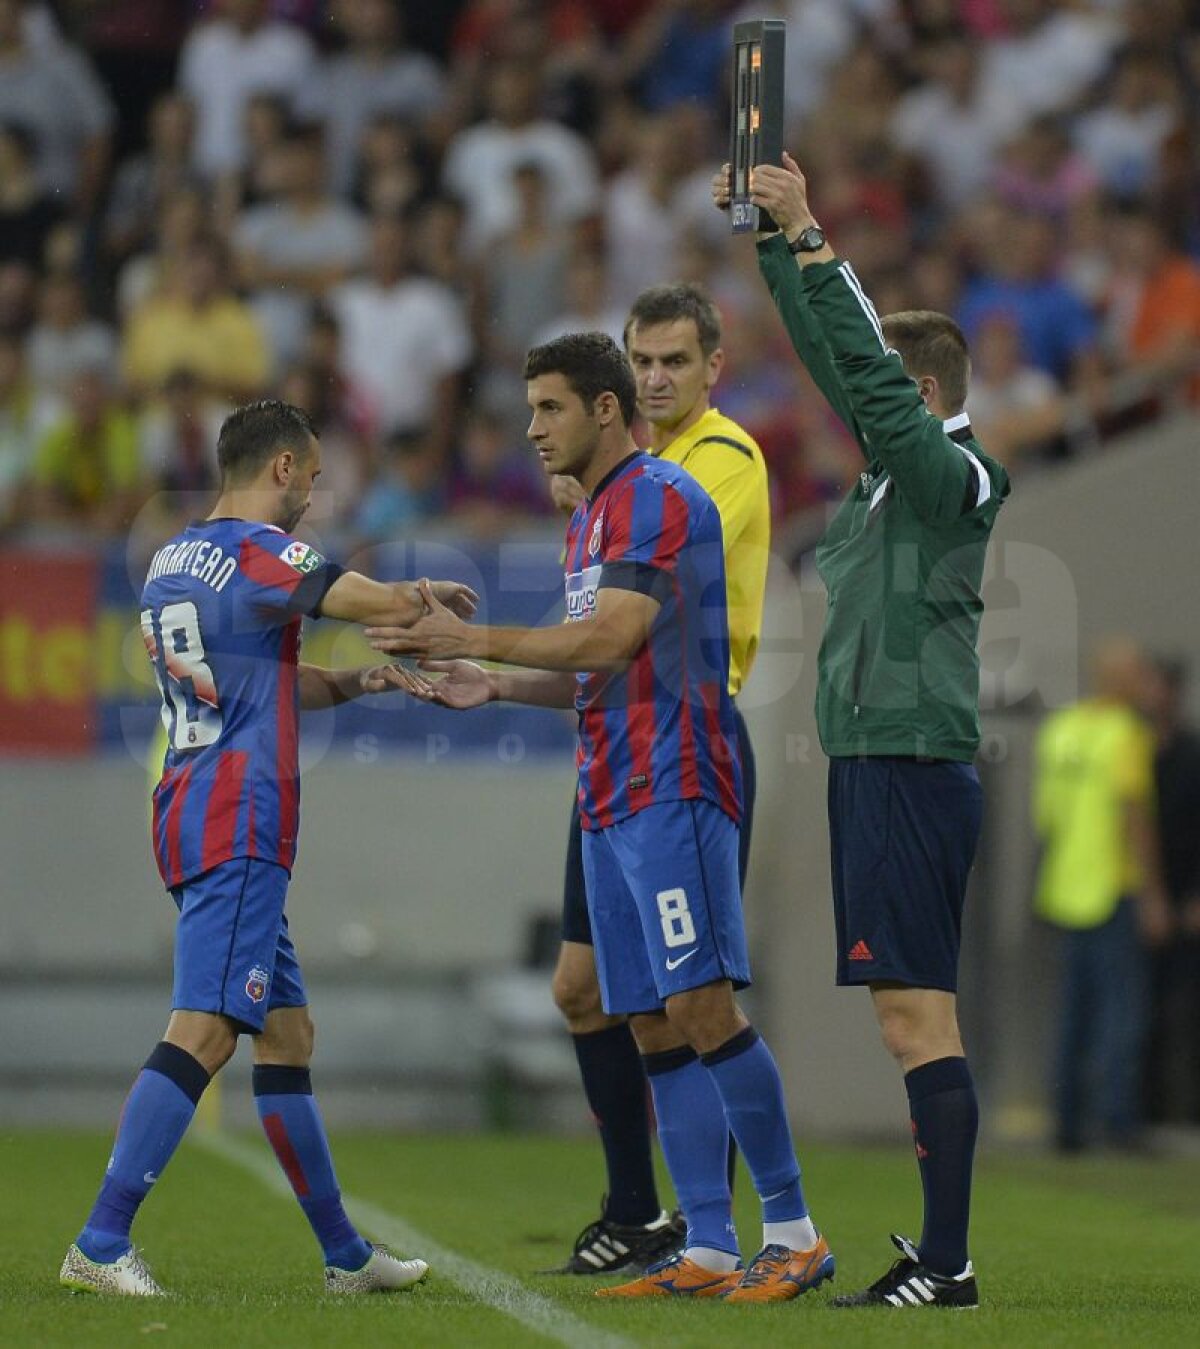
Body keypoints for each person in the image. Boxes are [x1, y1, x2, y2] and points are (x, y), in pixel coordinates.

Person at [368, 333, 831, 1303]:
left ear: (607, 410)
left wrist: (471, 630)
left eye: (550, 408)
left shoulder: (661, 498)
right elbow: (592, 667)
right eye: (532, 409)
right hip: (611, 789)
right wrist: (486, 683)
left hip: (676, 781)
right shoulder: (589, 523)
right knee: (647, 1018)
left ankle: (792, 1229)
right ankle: (706, 1239)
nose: (532, 430)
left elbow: (615, 634)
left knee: (703, 1005)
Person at [59, 399, 478, 1297]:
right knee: (207, 1030)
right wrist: (420, 599)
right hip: (236, 816)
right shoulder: (257, 549)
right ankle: (99, 1240)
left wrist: (362, 678)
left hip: (188, 800)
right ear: (281, 468)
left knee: (287, 1033)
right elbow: (341, 589)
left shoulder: (174, 557)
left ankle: (345, 1256)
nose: (314, 498)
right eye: (313, 478)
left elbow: (260, 677)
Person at [717, 151, 1010, 1309]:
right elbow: (838, 363)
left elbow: (870, 389)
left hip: (911, 762)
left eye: (892, 393)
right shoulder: (893, 481)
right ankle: (945, 1258)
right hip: (873, 762)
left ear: (923, 394)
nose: (867, 406)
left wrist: (817, 234)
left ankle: (949, 1262)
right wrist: (770, 240)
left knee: (913, 1013)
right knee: (909, 1012)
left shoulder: (960, 477)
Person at [542, 284, 770, 1276]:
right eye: (644, 360)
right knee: (590, 987)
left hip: (683, 734)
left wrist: (593, 488)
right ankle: (651, 1211)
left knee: (693, 998)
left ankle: (732, 1222)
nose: (659, 377)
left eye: (677, 359)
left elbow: (654, 571)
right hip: (615, 738)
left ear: (714, 367)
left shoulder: (714, 459)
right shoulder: (612, 492)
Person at [1034, 638, 1170, 1152]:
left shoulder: (1061, 730)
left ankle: (1067, 1123)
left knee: (1074, 1011)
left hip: (1065, 886)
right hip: (1113, 886)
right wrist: (1154, 894)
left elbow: (1046, 816)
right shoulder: (1127, 735)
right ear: (1123, 681)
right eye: (1140, 674)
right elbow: (1135, 815)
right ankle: (1118, 1121)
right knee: (1122, 1010)